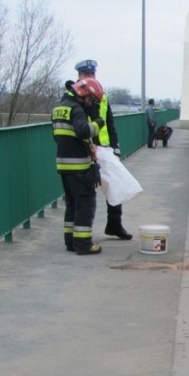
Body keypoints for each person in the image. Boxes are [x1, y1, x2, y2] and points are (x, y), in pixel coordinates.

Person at [75, 59, 133, 241]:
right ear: (79, 76)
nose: (90, 77)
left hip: (104, 148)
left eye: (92, 74)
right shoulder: (77, 96)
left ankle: (114, 224)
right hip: (86, 149)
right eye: (87, 74)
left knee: (114, 185)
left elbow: (109, 123)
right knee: (85, 193)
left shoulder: (102, 95)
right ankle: (82, 234)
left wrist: (115, 146)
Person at [51, 78, 104, 255]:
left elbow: (57, 136)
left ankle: (70, 241)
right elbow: (83, 131)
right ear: (84, 93)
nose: (91, 104)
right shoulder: (77, 109)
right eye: (91, 100)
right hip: (78, 166)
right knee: (85, 203)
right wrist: (98, 122)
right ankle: (83, 243)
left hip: (63, 164)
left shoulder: (60, 107)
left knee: (72, 204)